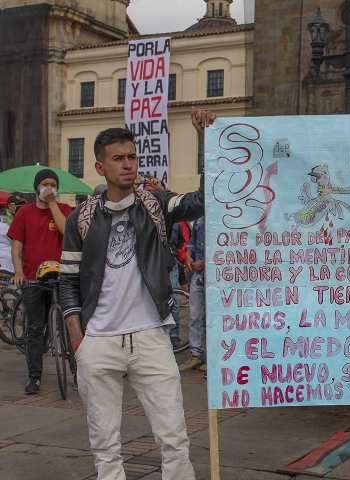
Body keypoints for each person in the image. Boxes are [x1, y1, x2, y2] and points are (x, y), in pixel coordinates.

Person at [58, 107, 215, 479]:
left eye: (131, 157)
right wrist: (79, 341)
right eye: (118, 159)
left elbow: (203, 199)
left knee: (175, 438)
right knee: (105, 447)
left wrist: (205, 142)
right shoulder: (80, 218)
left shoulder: (155, 204)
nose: (128, 164)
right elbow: (66, 282)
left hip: (150, 336)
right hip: (99, 341)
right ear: (100, 167)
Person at [8, 169, 75, 394]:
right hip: (32, 278)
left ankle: (77, 374)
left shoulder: (63, 209)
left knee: (69, 326)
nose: (49, 188)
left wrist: (52, 203)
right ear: (36, 187)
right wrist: (18, 271)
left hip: (61, 276)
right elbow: (17, 245)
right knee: (35, 328)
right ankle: (34, 377)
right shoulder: (24, 213)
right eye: (45, 184)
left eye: (53, 184)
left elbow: (67, 231)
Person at [178, 216, 206, 373]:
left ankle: (212, 356)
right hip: (198, 273)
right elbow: (193, 240)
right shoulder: (199, 219)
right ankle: (196, 354)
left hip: (214, 273)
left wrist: (206, 262)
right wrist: (188, 255)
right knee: (195, 316)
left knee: (213, 318)